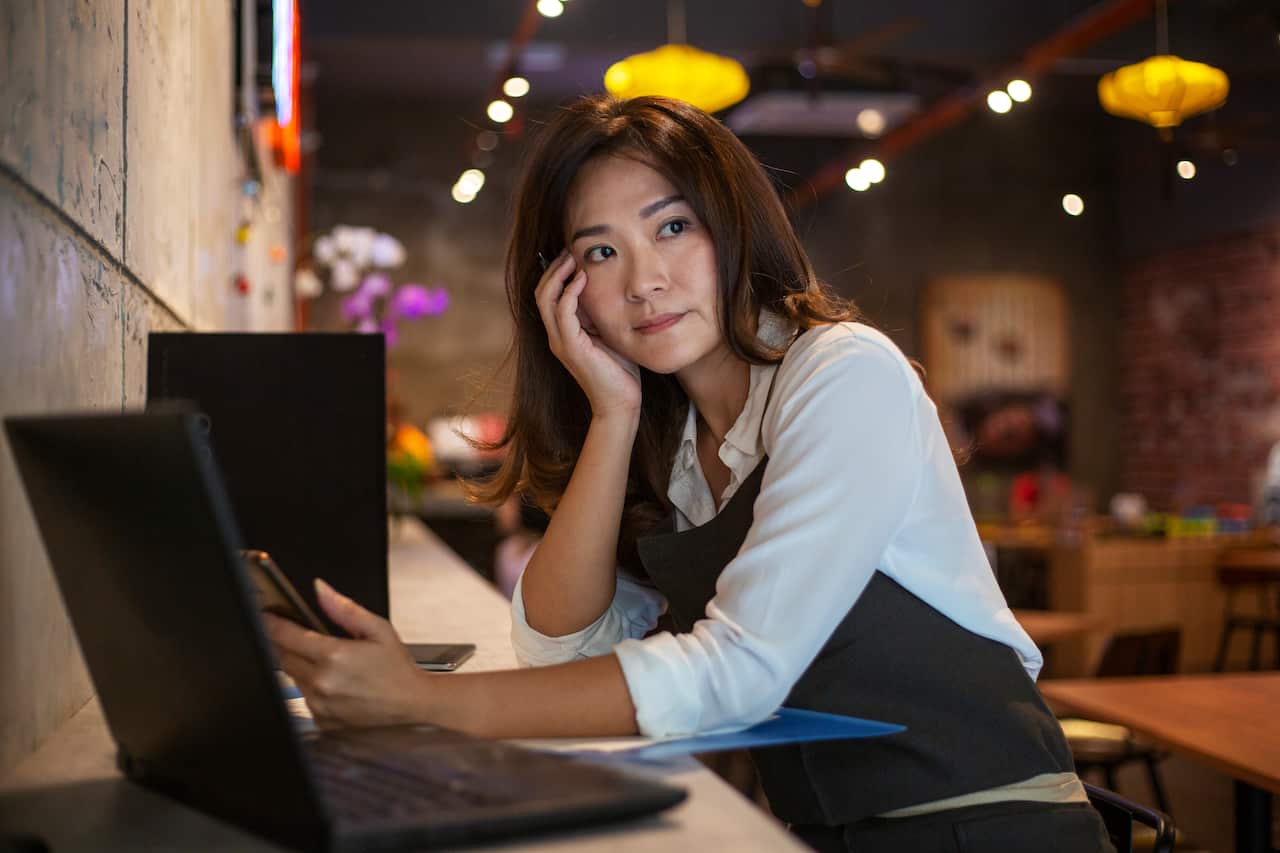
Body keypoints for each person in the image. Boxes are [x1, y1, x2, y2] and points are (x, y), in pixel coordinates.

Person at [266, 94, 1113, 852]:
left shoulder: (846, 375)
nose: (645, 281)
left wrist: (428, 701)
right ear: (562, 289)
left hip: (991, 822)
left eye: (673, 227)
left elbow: (738, 671)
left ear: (735, 227)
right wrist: (613, 415)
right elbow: (560, 643)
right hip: (822, 830)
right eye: (600, 252)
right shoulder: (670, 442)